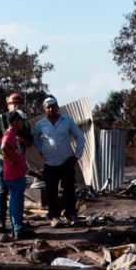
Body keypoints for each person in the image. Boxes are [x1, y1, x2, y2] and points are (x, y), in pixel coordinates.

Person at [31, 96, 86, 227]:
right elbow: (35, 138)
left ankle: (71, 213)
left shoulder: (67, 121)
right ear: (44, 109)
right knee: (51, 191)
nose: (52, 109)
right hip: (50, 163)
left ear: (57, 106)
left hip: (67, 161)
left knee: (69, 189)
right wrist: (41, 151)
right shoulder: (41, 124)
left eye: (54, 106)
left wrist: (77, 155)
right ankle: (54, 216)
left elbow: (79, 136)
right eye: (48, 107)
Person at [0, 92, 30, 234]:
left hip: (18, 162)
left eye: (19, 103)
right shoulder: (0, 119)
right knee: (3, 191)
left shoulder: (24, 122)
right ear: (8, 104)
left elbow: (29, 141)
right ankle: (2, 221)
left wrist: (21, 142)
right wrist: (11, 146)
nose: (16, 105)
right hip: (3, 161)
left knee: (16, 196)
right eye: (14, 102)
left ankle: (17, 223)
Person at [0, 110, 32, 241]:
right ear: (14, 122)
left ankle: (17, 228)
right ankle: (18, 229)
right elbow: (3, 146)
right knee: (16, 203)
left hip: (17, 174)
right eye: (20, 121)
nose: (22, 123)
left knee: (16, 202)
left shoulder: (13, 135)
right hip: (14, 175)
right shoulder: (8, 135)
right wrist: (12, 159)